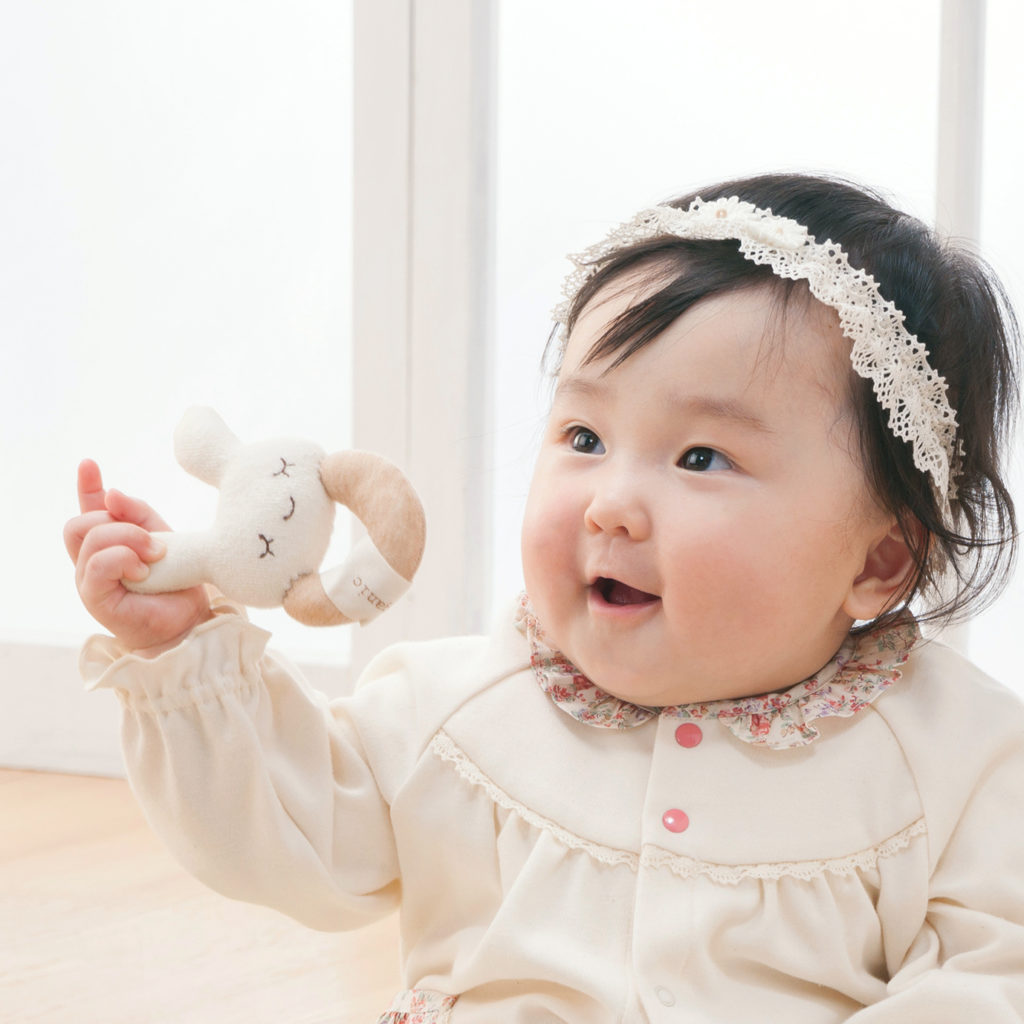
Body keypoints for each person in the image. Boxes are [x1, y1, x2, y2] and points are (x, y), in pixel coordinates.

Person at [65, 173, 1024, 1022]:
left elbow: (993, 973)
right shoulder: (462, 707)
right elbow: (288, 833)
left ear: (880, 560)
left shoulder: (954, 757)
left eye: (701, 457)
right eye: (584, 438)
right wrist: (183, 649)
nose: (610, 504)